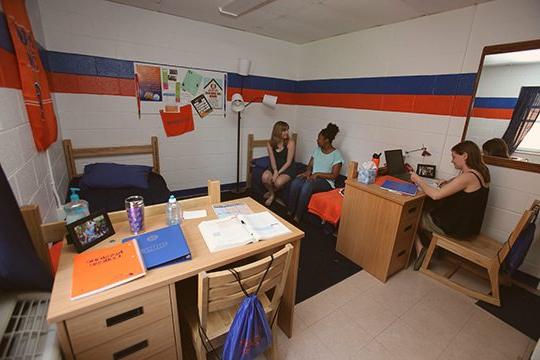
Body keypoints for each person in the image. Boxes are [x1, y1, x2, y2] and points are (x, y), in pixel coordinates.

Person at [410, 140, 490, 270]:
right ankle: (434, 248)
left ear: (465, 156)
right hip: (469, 225)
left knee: (413, 215)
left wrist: (418, 180)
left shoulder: (468, 177)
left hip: (458, 228)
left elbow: (435, 195)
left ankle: (420, 249)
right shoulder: (481, 172)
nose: (452, 161)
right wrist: (446, 183)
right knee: (428, 207)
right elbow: (460, 188)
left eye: (454, 157)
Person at [288, 123, 344, 223]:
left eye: (319, 139)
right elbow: (309, 165)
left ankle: (298, 215)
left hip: (327, 182)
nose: (317, 140)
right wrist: (307, 172)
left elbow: (334, 175)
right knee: (297, 181)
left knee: (308, 185)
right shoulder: (317, 150)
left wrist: (317, 174)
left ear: (326, 140)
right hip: (313, 177)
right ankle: (290, 211)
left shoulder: (336, 154)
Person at [261, 121, 296, 206]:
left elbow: (288, 162)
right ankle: (272, 194)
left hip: (287, 167)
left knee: (278, 182)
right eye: (284, 130)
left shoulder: (291, 142)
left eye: (287, 130)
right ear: (277, 131)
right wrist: (275, 171)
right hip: (275, 166)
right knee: (265, 177)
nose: (286, 133)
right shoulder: (270, 143)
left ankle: (273, 191)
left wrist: (278, 173)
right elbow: (272, 159)